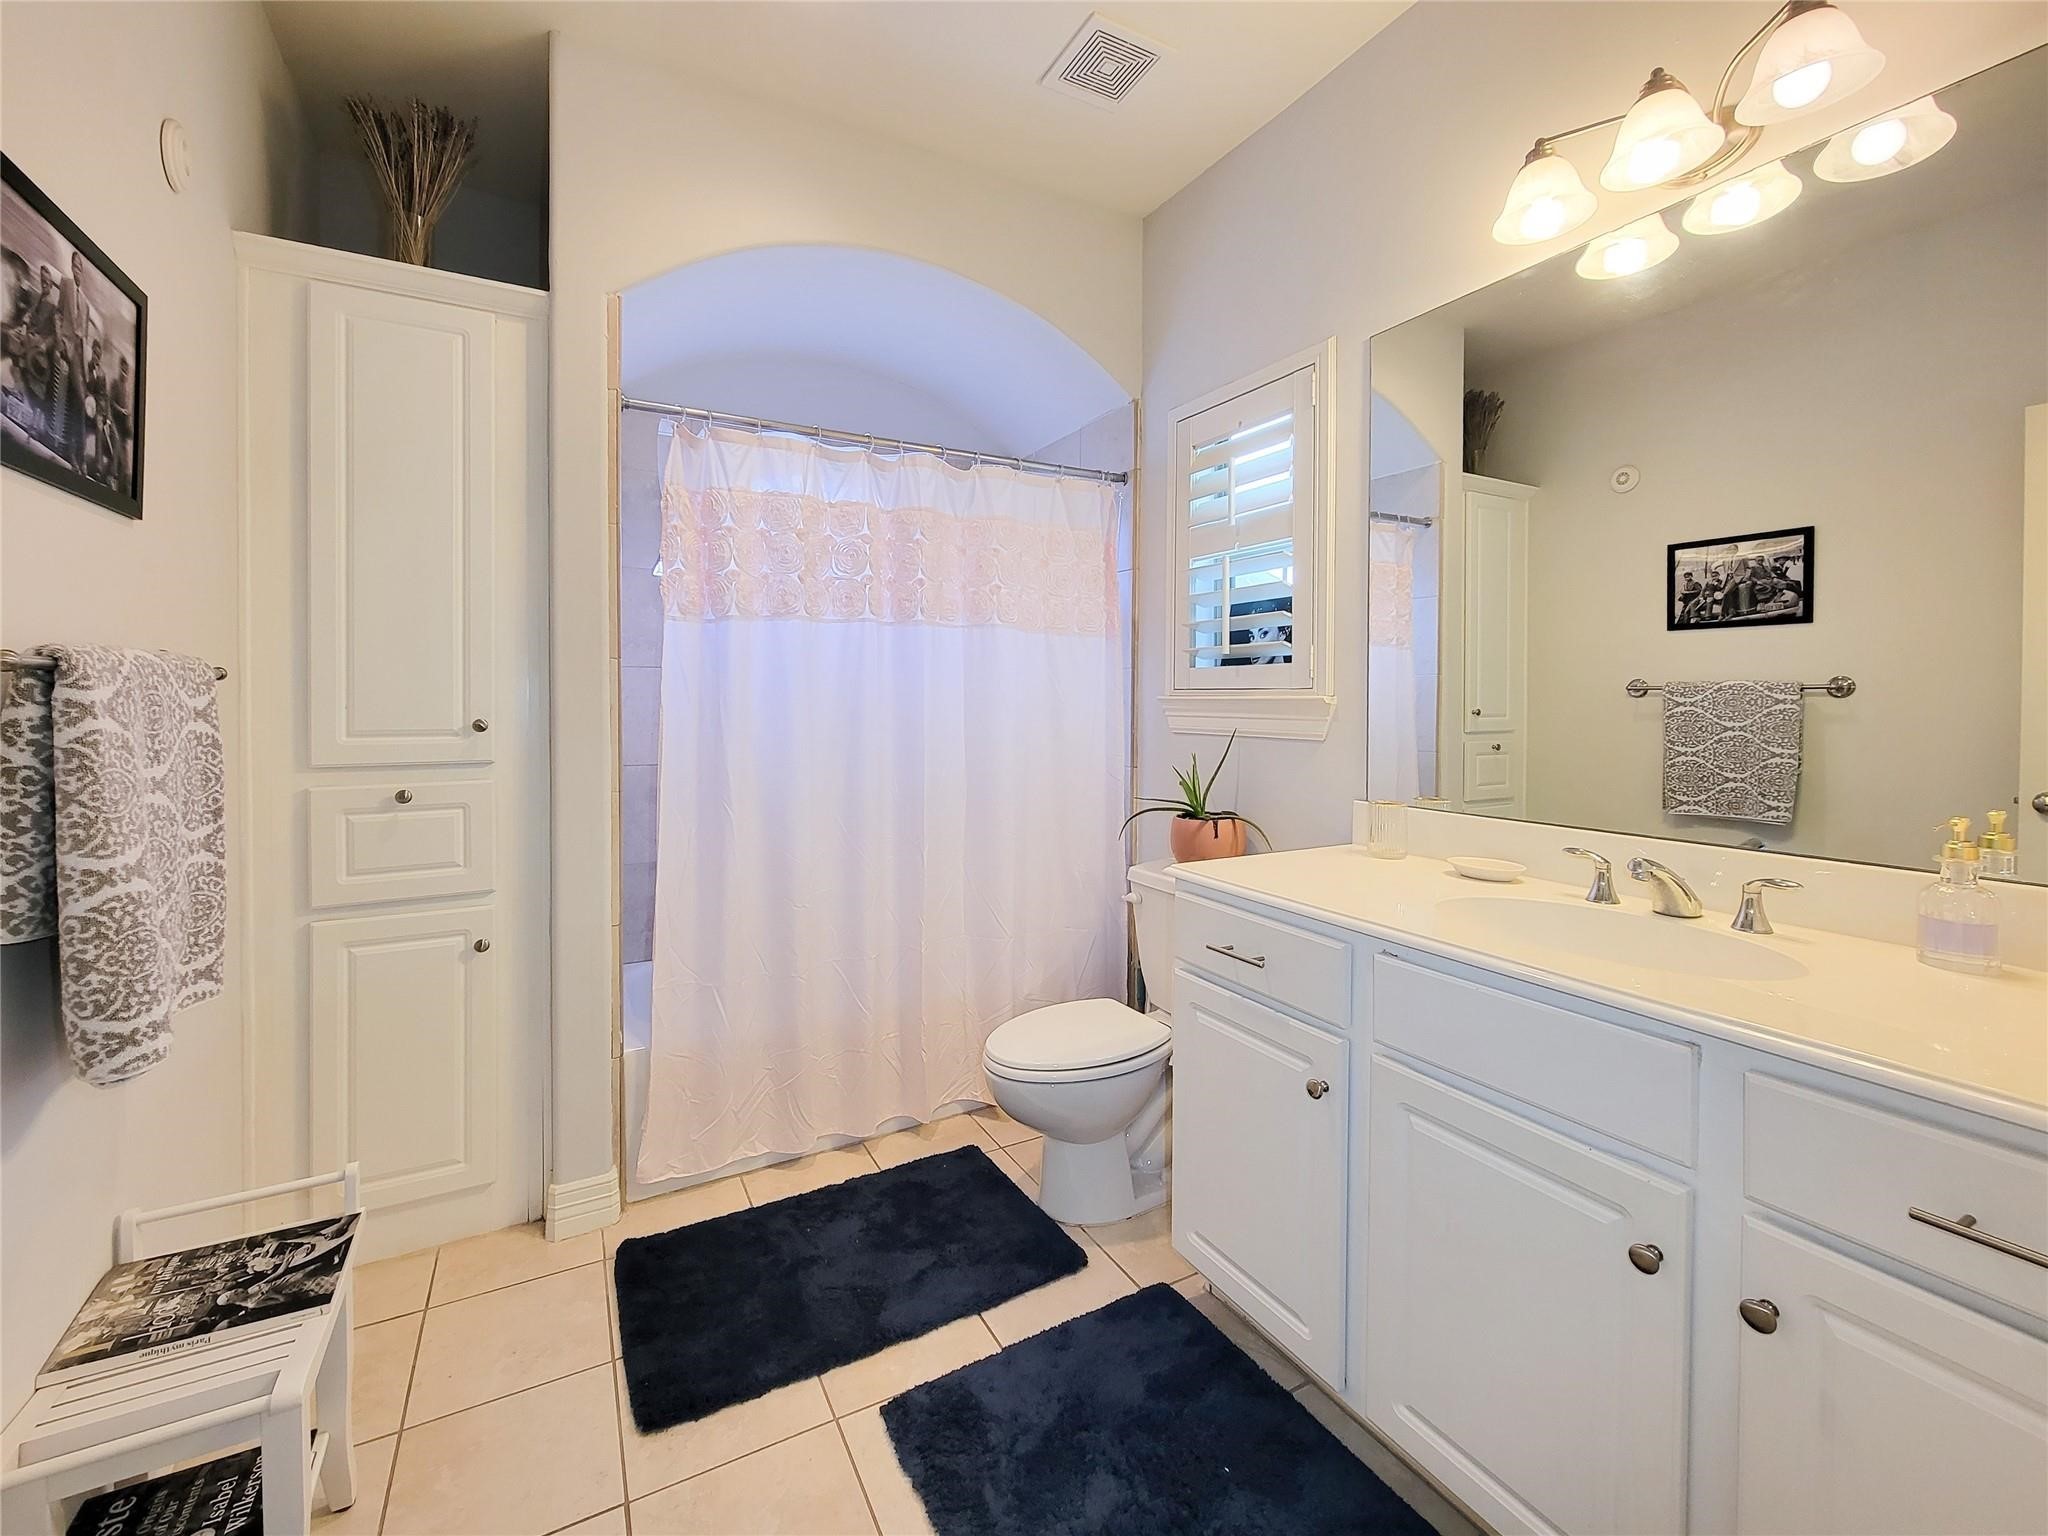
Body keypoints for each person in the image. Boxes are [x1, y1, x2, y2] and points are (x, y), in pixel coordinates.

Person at [53, 251, 92, 469]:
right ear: (71, 266)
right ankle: (75, 453)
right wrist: (59, 339)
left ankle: (76, 453)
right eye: (75, 266)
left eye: (81, 269)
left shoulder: (85, 303)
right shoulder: (65, 285)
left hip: (79, 353)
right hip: (66, 345)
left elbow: (85, 337)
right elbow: (58, 314)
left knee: (80, 401)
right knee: (74, 399)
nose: (78, 271)